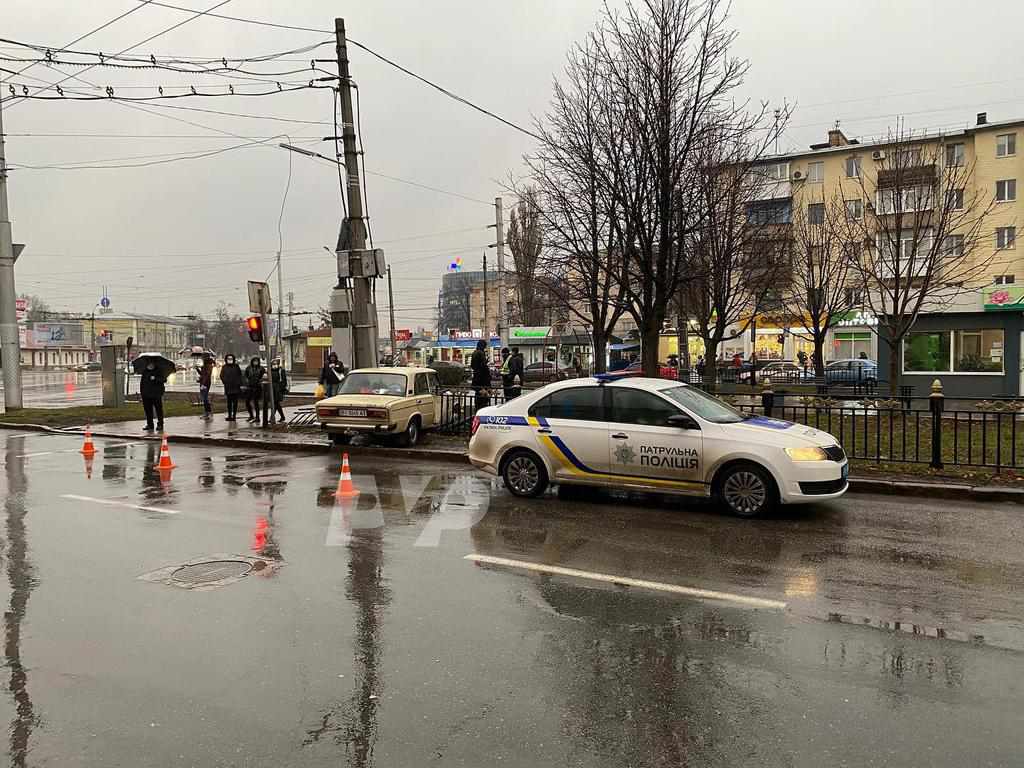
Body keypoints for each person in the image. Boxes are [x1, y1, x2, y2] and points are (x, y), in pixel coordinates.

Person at [140, 360, 167, 432]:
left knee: (158, 410)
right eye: (148, 364)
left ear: (154, 364)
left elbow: (164, 379)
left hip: (156, 394)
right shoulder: (145, 371)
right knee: (148, 410)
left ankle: (160, 424)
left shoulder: (159, 370)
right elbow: (142, 383)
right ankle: (150, 425)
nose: (150, 365)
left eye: (151, 364)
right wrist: (142, 393)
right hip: (146, 395)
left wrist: (155, 378)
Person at [219, 354, 243, 422]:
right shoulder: (224, 367)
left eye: (231, 359)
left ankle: (234, 415)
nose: (230, 360)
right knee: (229, 402)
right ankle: (229, 415)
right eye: (228, 359)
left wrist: (239, 383)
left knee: (235, 402)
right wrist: (225, 381)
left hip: (235, 387)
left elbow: (239, 375)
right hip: (228, 386)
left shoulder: (236, 366)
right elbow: (221, 375)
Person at [470, 339, 490, 411]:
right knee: (483, 395)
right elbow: (483, 366)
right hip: (482, 378)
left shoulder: (474, 352)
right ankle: (482, 409)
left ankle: (477, 408)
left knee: (478, 394)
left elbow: (472, 365)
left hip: (476, 376)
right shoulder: (481, 353)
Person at [244, 357, 266, 422]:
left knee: (256, 402)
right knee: (247, 401)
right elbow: (246, 376)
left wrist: (260, 381)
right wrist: (247, 381)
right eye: (254, 361)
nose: (255, 362)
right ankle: (251, 415)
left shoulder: (261, 368)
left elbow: (263, 376)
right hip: (250, 387)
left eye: (256, 361)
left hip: (257, 387)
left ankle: (257, 417)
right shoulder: (248, 368)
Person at [270, 358, 288, 423]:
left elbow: (284, 381)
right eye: (273, 364)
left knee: (276, 403)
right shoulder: (270, 371)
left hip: (278, 389)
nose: (275, 365)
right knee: (276, 404)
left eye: (276, 364)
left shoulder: (281, 371)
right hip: (272, 389)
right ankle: (282, 417)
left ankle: (272, 417)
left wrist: (281, 388)